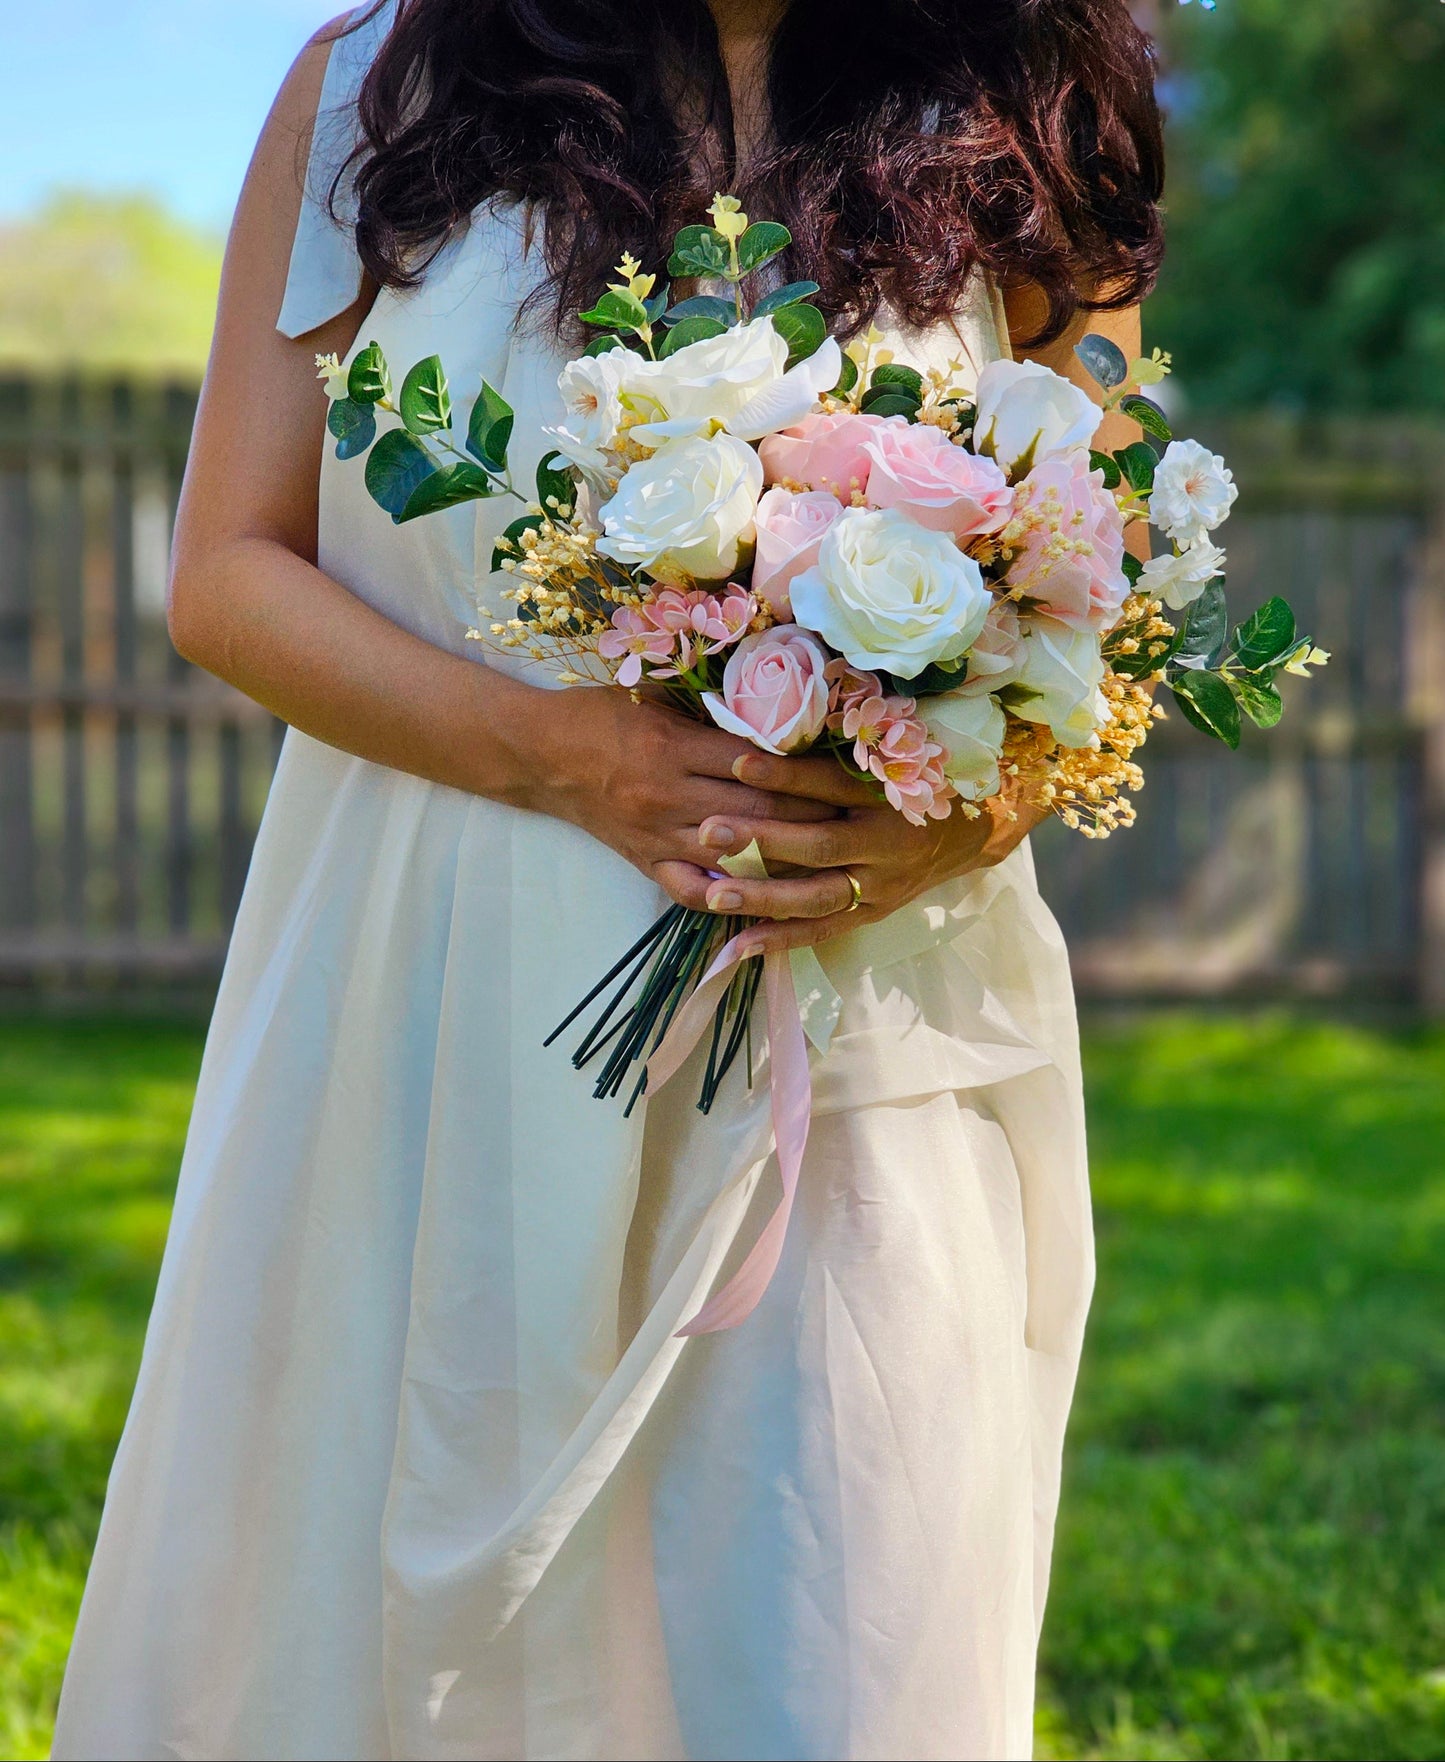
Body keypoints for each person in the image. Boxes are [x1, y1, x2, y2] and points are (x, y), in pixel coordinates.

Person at [52, 2, 1163, 1756]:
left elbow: (1094, 564)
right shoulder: (374, 87)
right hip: (450, 992)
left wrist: (968, 808)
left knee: (831, 1610)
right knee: (430, 1629)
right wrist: (561, 753)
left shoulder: (1013, 99)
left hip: (862, 1024)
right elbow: (228, 569)